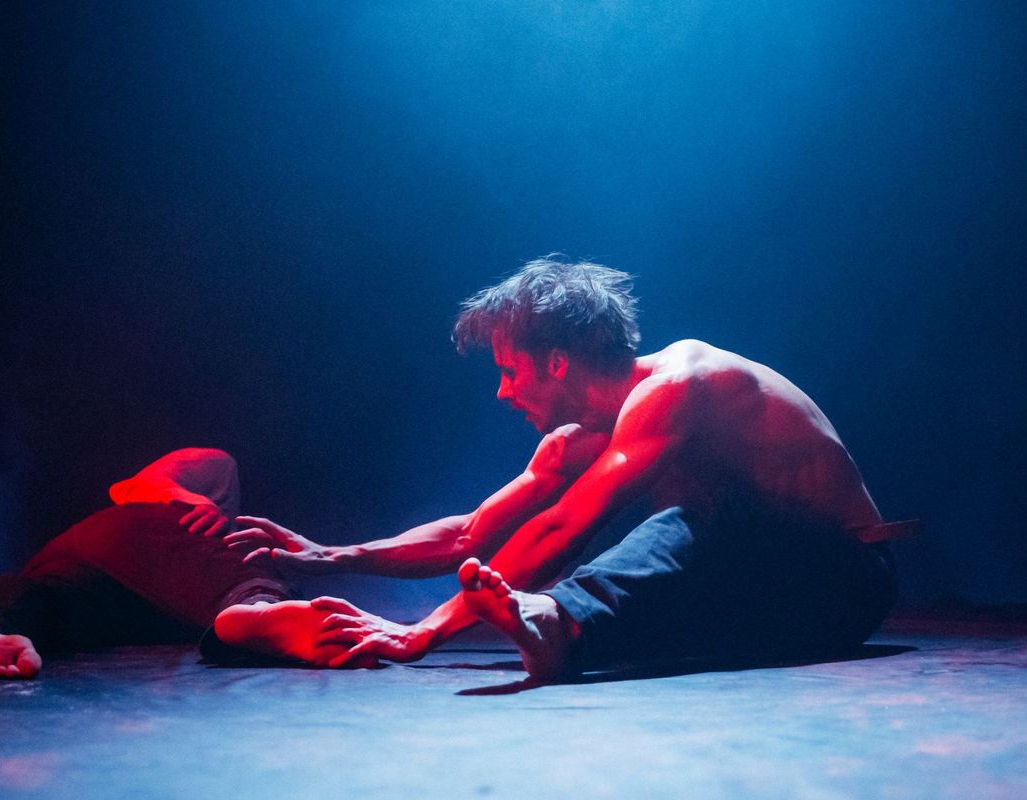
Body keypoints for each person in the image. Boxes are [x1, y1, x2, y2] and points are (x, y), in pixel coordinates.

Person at [212, 255, 906, 678]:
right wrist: (332, 557)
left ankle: (555, 620)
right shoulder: (580, 438)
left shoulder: (680, 385)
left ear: (556, 363)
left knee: (696, 520)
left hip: (844, 579)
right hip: (760, 597)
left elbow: (566, 526)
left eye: (509, 371)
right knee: (668, 591)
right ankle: (561, 628)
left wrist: (425, 630)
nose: (502, 392)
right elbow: (471, 534)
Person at [0, 448, 363, 679]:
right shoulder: (217, 471)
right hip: (139, 535)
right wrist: (186, 498)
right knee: (245, 562)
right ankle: (261, 609)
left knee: (44, 606)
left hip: (93, 575)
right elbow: (131, 488)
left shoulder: (177, 591)